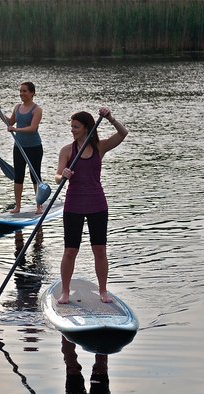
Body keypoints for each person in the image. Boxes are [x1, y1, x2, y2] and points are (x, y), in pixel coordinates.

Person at [55, 107, 128, 304]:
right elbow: (57, 176)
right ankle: (65, 292)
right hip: (74, 203)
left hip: (97, 203)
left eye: (76, 127)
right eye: (71, 126)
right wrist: (63, 175)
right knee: (70, 250)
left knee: (100, 249)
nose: (72, 130)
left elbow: (123, 134)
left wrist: (110, 118)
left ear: (87, 128)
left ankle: (103, 290)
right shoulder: (67, 150)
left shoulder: (99, 147)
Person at [0, 82, 44, 214]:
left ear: (32, 93)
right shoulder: (17, 107)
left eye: (25, 91)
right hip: (19, 147)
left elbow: (33, 128)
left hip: (34, 147)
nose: (22, 94)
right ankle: (17, 206)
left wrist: (16, 129)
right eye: (20, 91)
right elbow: (10, 122)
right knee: (18, 176)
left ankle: (39, 206)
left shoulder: (37, 110)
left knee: (35, 176)